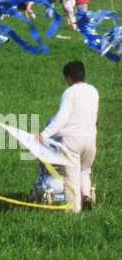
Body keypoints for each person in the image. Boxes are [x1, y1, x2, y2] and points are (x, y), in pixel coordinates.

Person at [40, 60, 99, 213]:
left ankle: (73, 211)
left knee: (71, 176)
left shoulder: (69, 92)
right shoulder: (93, 91)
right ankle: (86, 194)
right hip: (90, 138)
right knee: (85, 170)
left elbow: (61, 118)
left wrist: (44, 134)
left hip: (72, 139)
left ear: (68, 78)